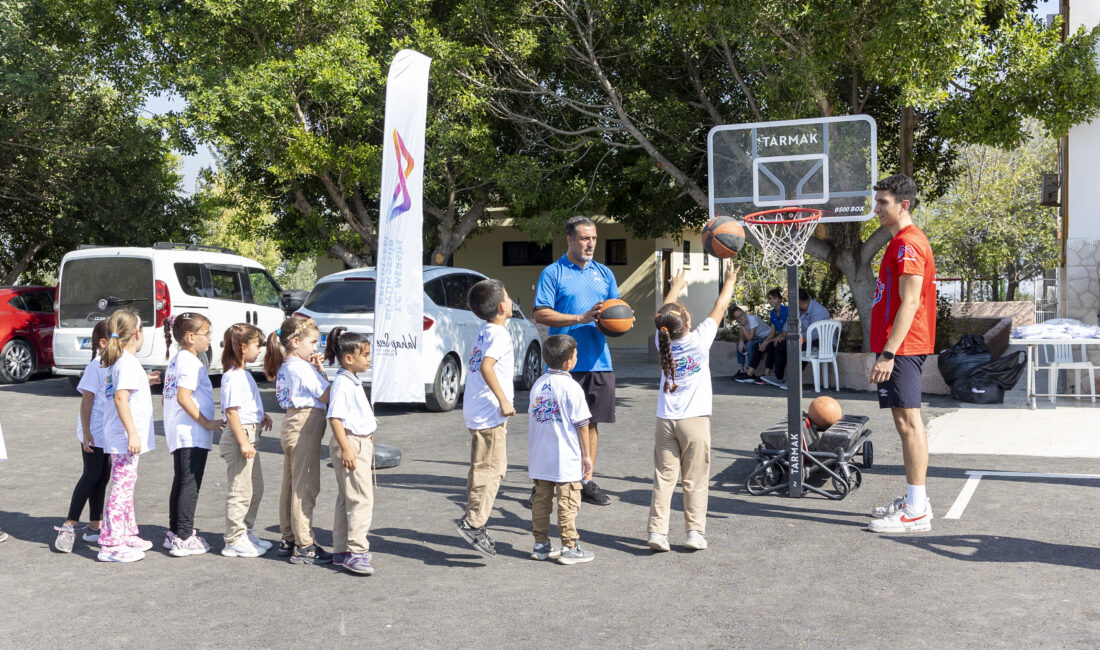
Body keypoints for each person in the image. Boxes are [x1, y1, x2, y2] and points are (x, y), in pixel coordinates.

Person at [648, 264, 739, 552]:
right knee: (695, 479)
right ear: (687, 324)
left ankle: (657, 533)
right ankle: (694, 533)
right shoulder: (699, 340)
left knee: (664, 479)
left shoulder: (660, 340)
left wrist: (675, 286)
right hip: (694, 421)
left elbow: (662, 315)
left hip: (665, 419)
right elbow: (721, 306)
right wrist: (730, 281)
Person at [866, 174, 937, 534]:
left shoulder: (909, 244)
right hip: (898, 347)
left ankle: (916, 510)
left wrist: (889, 352)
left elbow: (910, 302)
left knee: (910, 425)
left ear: (903, 205)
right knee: (904, 423)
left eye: (883, 202)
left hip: (904, 347)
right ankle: (915, 500)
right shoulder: (899, 243)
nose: (876, 208)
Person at [533, 216, 619, 506]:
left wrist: (620, 322)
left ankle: (586, 481)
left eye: (593, 238)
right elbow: (540, 313)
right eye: (584, 238)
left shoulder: (604, 273)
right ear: (569, 239)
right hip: (562, 364)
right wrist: (579, 318)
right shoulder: (553, 273)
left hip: (598, 361)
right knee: (554, 425)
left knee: (591, 425)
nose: (590, 243)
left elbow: (615, 310)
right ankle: (544, 483)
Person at [456, 279, 516, 557]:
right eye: (509, 296)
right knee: (492, 469)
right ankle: (473, 523)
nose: (512, 299)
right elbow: (487, 366)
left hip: (479, 410)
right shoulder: (499, 335)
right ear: (502, 307)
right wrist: (504, 400)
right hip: (489, 412)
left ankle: (473, 517)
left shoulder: (485, 330)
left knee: (483, 467)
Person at [265, 315, 331, 565]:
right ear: (295, 342)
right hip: (306, 423)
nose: (316, 348)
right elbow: (326, 395)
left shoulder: (288, 365)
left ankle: (288, 538)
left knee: (292, 483)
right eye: (313, 342)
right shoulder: (300, 367)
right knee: (306, 485)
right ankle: (305, 544)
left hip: (294, 422)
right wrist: (322, 371)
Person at [97, 310, 160, 563]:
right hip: (124, 438)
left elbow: (123, 392)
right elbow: (120, 397)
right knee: (121, 488)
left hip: (119, 436)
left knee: (126, 486)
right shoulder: (127, 362)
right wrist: (133, 434)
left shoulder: (122, 362)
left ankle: (125, 533)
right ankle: (111, 543)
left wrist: (144, 381)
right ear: (137, 333)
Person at [527, 334, 595, 565]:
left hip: (540, 458)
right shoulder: (571, 387)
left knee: (541, 502)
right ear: (568, 362)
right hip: (565, 458)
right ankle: (569, 547)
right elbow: (583, 425)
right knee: (567, 501)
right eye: (575, 355)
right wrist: (586, 456)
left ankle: (541, 544)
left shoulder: (538, 384)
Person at [161, 313, 224, 557]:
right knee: (190, 483)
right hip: (191, 432)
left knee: (182, 480)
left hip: (182, 431)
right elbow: (183, 396)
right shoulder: (189, 362)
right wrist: (206, 422)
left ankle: (176, 532)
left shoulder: (180, 360)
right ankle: (184, 536)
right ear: (190, 337)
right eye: (206, 334)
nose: (209, 338)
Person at [53, 321, 111, 553]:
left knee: (102, 477)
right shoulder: (96, 366)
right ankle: (69, 525)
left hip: (106, 432)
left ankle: (94, 527)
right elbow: (86, 401)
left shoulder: (114, 364)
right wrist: (86, 433)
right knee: (91, 475)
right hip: (93, 431)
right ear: (103, 343)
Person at [324, 327, 377, 576]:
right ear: (348, 358)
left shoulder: (351, 380)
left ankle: (341, 550)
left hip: (357, 442)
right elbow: (335, 418)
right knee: (360, 499)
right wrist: (347, 448)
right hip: (351, 443)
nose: (368, 359)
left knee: (347, 498)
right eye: (364, 355)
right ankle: (356, 552)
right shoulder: (343, 384)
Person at [219, 323, 274, 557]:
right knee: (240, 489)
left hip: (251, 433)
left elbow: (246, 405)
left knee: (255, 488)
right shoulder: (232, 376)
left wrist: (262, 415)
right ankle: (233, 538)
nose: (260, 350)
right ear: (243, 347)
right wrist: (243, 442)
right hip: (241, 435)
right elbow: (231, 412)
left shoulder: (245, 375)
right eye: (256, 345)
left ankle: (245, 530)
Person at [761, 288, 832, 390]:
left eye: (791, 301)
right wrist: (783, 336)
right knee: (780, 344)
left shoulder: (818, 310)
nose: (790, 304)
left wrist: (799, 340)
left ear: (798, 301)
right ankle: (779, 377)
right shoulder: (798, 310)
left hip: (821, 343)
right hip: (804, 339)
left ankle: (793, 381)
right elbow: (788, 323)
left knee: (796, 347)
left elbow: (816, 333)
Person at [730, 305, 771, 384]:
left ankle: (750, 372)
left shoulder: (751, 319)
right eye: (738, 318)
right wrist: (741, 341)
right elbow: (742, 337)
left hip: (766, 337)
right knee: (739, 344)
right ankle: (741, 370)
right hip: (757, 338)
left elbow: (750, 339)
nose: (740, 318)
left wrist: (742, 326)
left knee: (749, 345)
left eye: (741, 315)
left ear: (744, 312)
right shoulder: (740, 321)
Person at [758, 288, 789, 385]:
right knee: (763, 345)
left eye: (774, 298)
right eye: (770, 299)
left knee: (774, 345)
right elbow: (772, 333)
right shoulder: (772, 313)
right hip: (780, 336)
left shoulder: (786, 310)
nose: (772, 301)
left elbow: (785, 332)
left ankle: (778, 377)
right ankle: (766, 374)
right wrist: (764, 343)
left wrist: (767, 342)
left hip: (789, 336)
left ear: (780, 299)